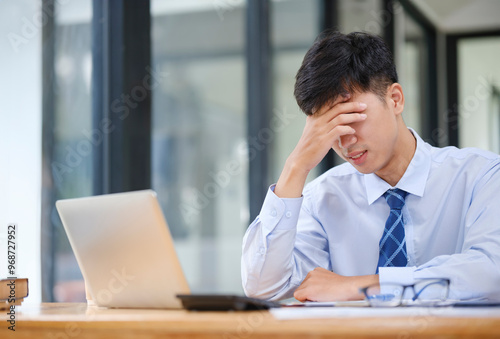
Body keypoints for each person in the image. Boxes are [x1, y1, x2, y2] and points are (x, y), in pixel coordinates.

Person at [241, 31, 500, 302]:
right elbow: (264, 288)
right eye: (328, 127)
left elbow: (492, 273)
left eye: (350, 117)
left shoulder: (481, 176)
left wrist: (361, 286)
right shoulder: (323, 199)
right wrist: (295, 167)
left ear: (395, 99)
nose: (344, 140)